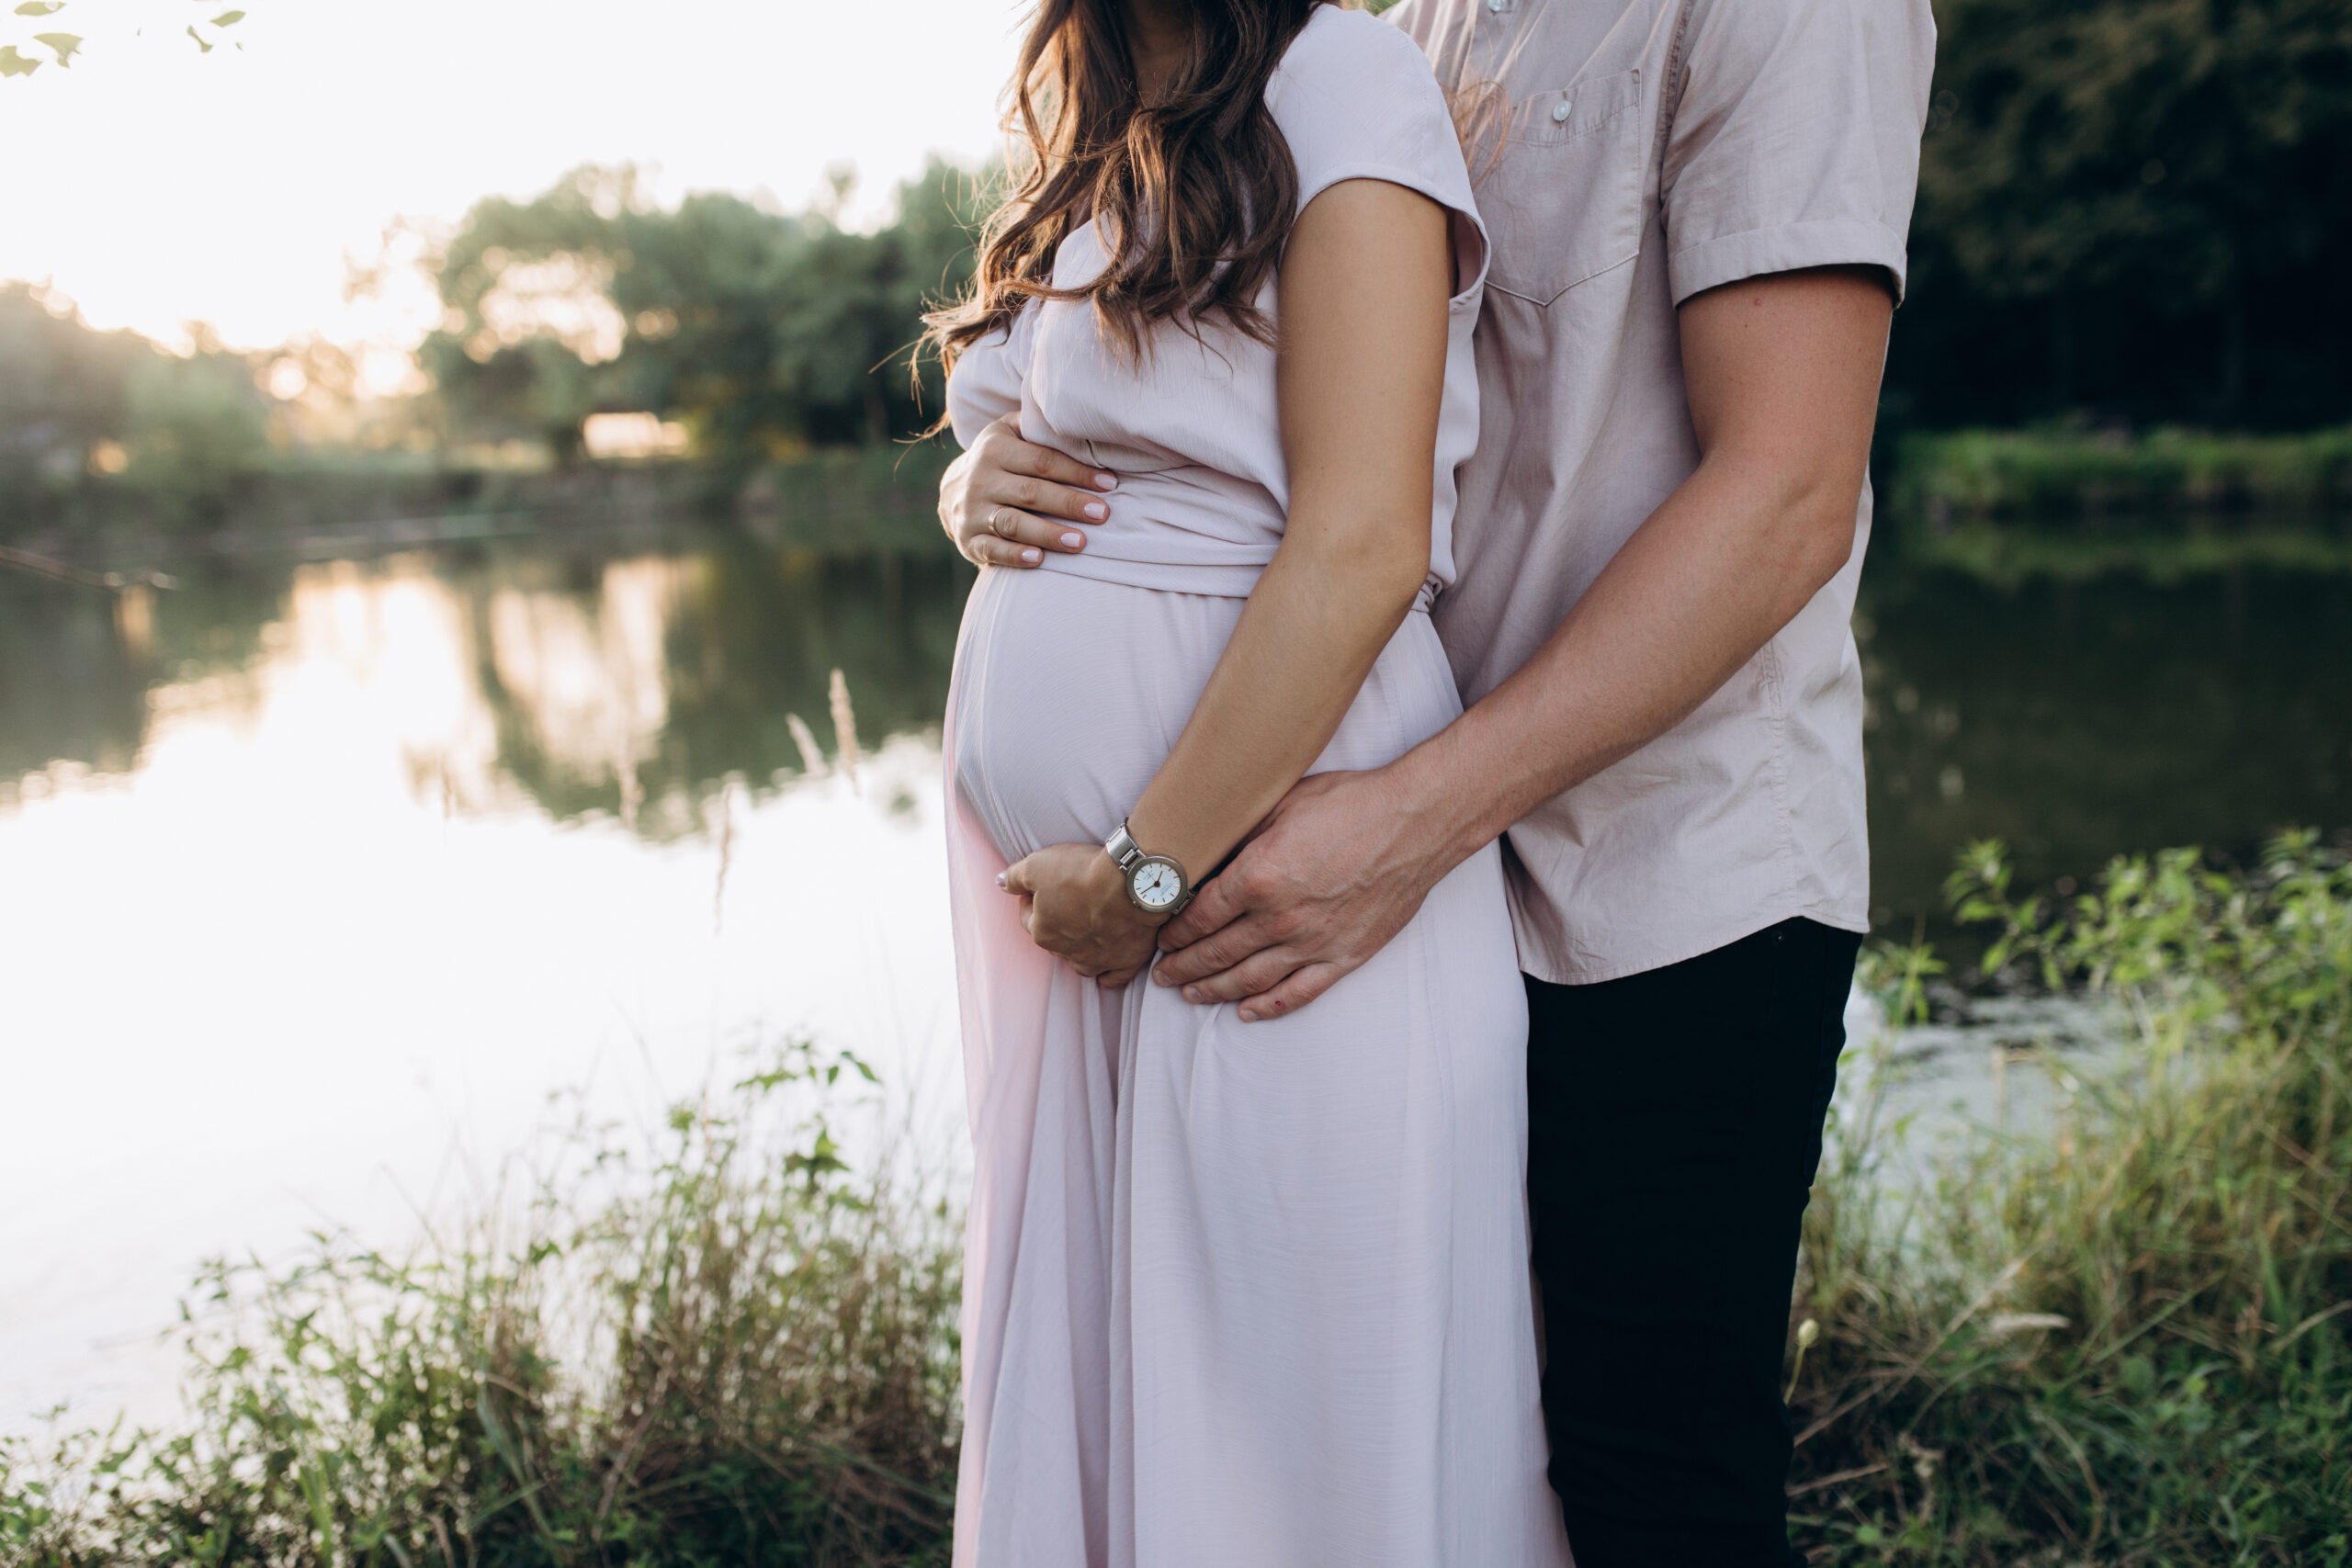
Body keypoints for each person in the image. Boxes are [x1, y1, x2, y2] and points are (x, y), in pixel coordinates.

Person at [939, 0, 1937, 1562]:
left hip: (1652, 870)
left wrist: (1406, 820)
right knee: (1393, 1451)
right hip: (1348, 838)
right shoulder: (1373, 17)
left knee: (1645, 1476)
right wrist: (979, 471)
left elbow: (1787, 495)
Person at [929, 2, 1569, 1565]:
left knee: (1304, 1455)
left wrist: (1147, 874)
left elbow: (1360, 541)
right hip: (1101, 939)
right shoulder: (1088, 113)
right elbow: (1069, 432)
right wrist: (966, 485)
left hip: (1259, 884)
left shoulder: (1339, 81)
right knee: (1141, 1429)